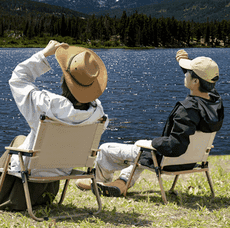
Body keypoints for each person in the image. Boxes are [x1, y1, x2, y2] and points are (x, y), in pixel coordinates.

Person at [76, 49, 224, 197]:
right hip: (191, 161)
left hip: (170, 161)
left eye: (189, 73)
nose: (185, 74)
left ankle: (100, 182)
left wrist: (153, 142)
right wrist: (184, 63)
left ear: (196, 81)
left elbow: (175, 146)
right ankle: (121, 184)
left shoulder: (187, 110)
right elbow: (201, 82)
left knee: (107, 149)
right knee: (142, 154)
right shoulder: (216, 104)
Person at [0, 40, 108, 210]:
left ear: (65, 81)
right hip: (57, 178)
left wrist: (44, 53)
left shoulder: (47, 104)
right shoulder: (98, 114)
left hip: (30, 176)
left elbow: (18, 79)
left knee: (16, 143)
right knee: (21, 139)